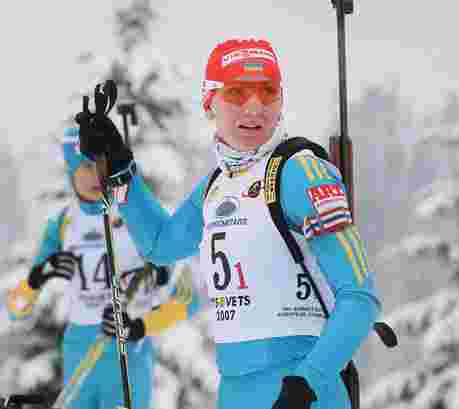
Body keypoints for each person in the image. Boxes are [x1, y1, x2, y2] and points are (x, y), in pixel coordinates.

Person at [77, 38, 381, 409]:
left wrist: (308, 383)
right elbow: (159, 245)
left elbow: (360, 298)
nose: (254, 107)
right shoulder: (217, 186)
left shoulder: (300, 172)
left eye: (267, 92)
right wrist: (119, 167)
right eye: (237, 93)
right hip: (235, 389)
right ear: (210, 103)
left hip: (303, 390)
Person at [5, 127, 175, 409]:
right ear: (70, 170)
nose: (96, 174)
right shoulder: (63, 223)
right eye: (85, 166)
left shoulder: (135, 214)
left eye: (102, 164)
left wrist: (141, 323)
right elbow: (15, 309)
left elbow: (184, 297)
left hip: (129, 353)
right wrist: (36, 279)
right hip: (80, 350)